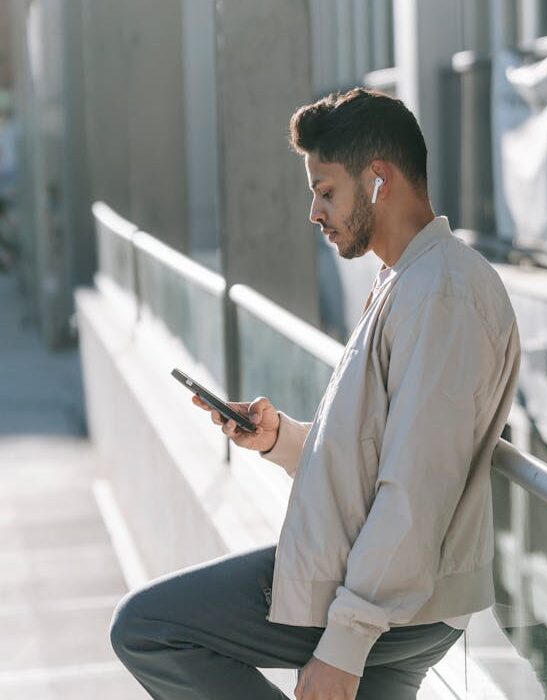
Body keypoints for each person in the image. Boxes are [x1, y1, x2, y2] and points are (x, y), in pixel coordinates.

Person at [110, 88, 521, 700]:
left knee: (148, 628)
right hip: (391, 592)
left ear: (378, 180)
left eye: (326, 190)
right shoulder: (407, 280)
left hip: (389, 600)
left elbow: (416, 488)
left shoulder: (442, 295)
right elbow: (380, 453)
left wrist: (345, 642)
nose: (313, 211)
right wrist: (283, 440)